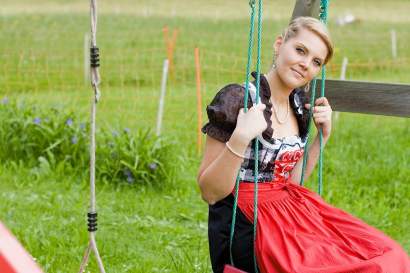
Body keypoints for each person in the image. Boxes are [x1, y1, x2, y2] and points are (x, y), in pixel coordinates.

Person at [197, 16, 410, 273]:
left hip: (290, 211)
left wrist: (322, 138)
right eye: (300, 50)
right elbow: (210, 192)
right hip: (247, 217)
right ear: (279, 44)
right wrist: (241, 138)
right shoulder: (239, 99)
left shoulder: (299, 105)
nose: (305, 64)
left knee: (386, 257)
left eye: (316, 62)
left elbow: (292, 182)